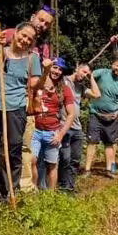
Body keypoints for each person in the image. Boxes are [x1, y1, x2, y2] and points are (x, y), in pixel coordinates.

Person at [0, 22, 47, 196]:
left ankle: (11, 190)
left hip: (16, 109)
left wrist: (45, 72)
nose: (25, 40)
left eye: (30, 39)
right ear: (15, 33)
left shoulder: (32, 58)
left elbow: (35, 85)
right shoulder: (0, 51)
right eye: (23, 35)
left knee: (13, 150)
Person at [30, 58, 76, 190]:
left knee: (52, 164)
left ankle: (51, 195)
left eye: (60, 69)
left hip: (52, 132)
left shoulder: (64, 89)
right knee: (32, 160)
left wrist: (60, 135)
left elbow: (71, 114)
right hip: (35, 130)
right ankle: (34, 191)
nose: (57, 71)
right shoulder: (38, 83)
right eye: (55, 67)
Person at [83, 59, 118, 178]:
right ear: (112, 64)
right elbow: (89, 75)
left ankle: (108, 170)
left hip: (112, 118)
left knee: (109, 143)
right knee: (92, 142)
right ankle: (87, 170)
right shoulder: (102, 72)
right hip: (95, 114)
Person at [58, 64, 100, 192]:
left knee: (75, 159)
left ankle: (69, 187)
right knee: (64, 158)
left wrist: (91, 77)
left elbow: (97, 94)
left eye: (87, 73)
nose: (84, 74)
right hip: (64, 125)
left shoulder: (81, 87)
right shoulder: (63, 80)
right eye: (83, 71)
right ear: (77, 68)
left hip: (77, 128)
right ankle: (62, 186)